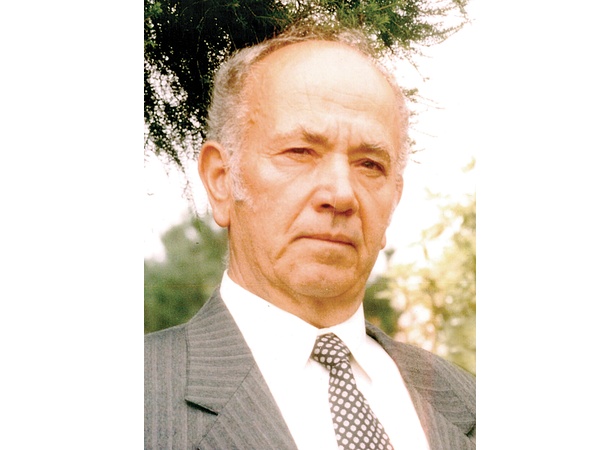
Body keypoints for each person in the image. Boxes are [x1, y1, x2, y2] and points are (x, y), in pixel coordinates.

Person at [144, 24, 475, 450]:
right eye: (300, 152)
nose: (341, 194)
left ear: (394, 198)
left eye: (370, 165)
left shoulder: (469, 405)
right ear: (221, 180)